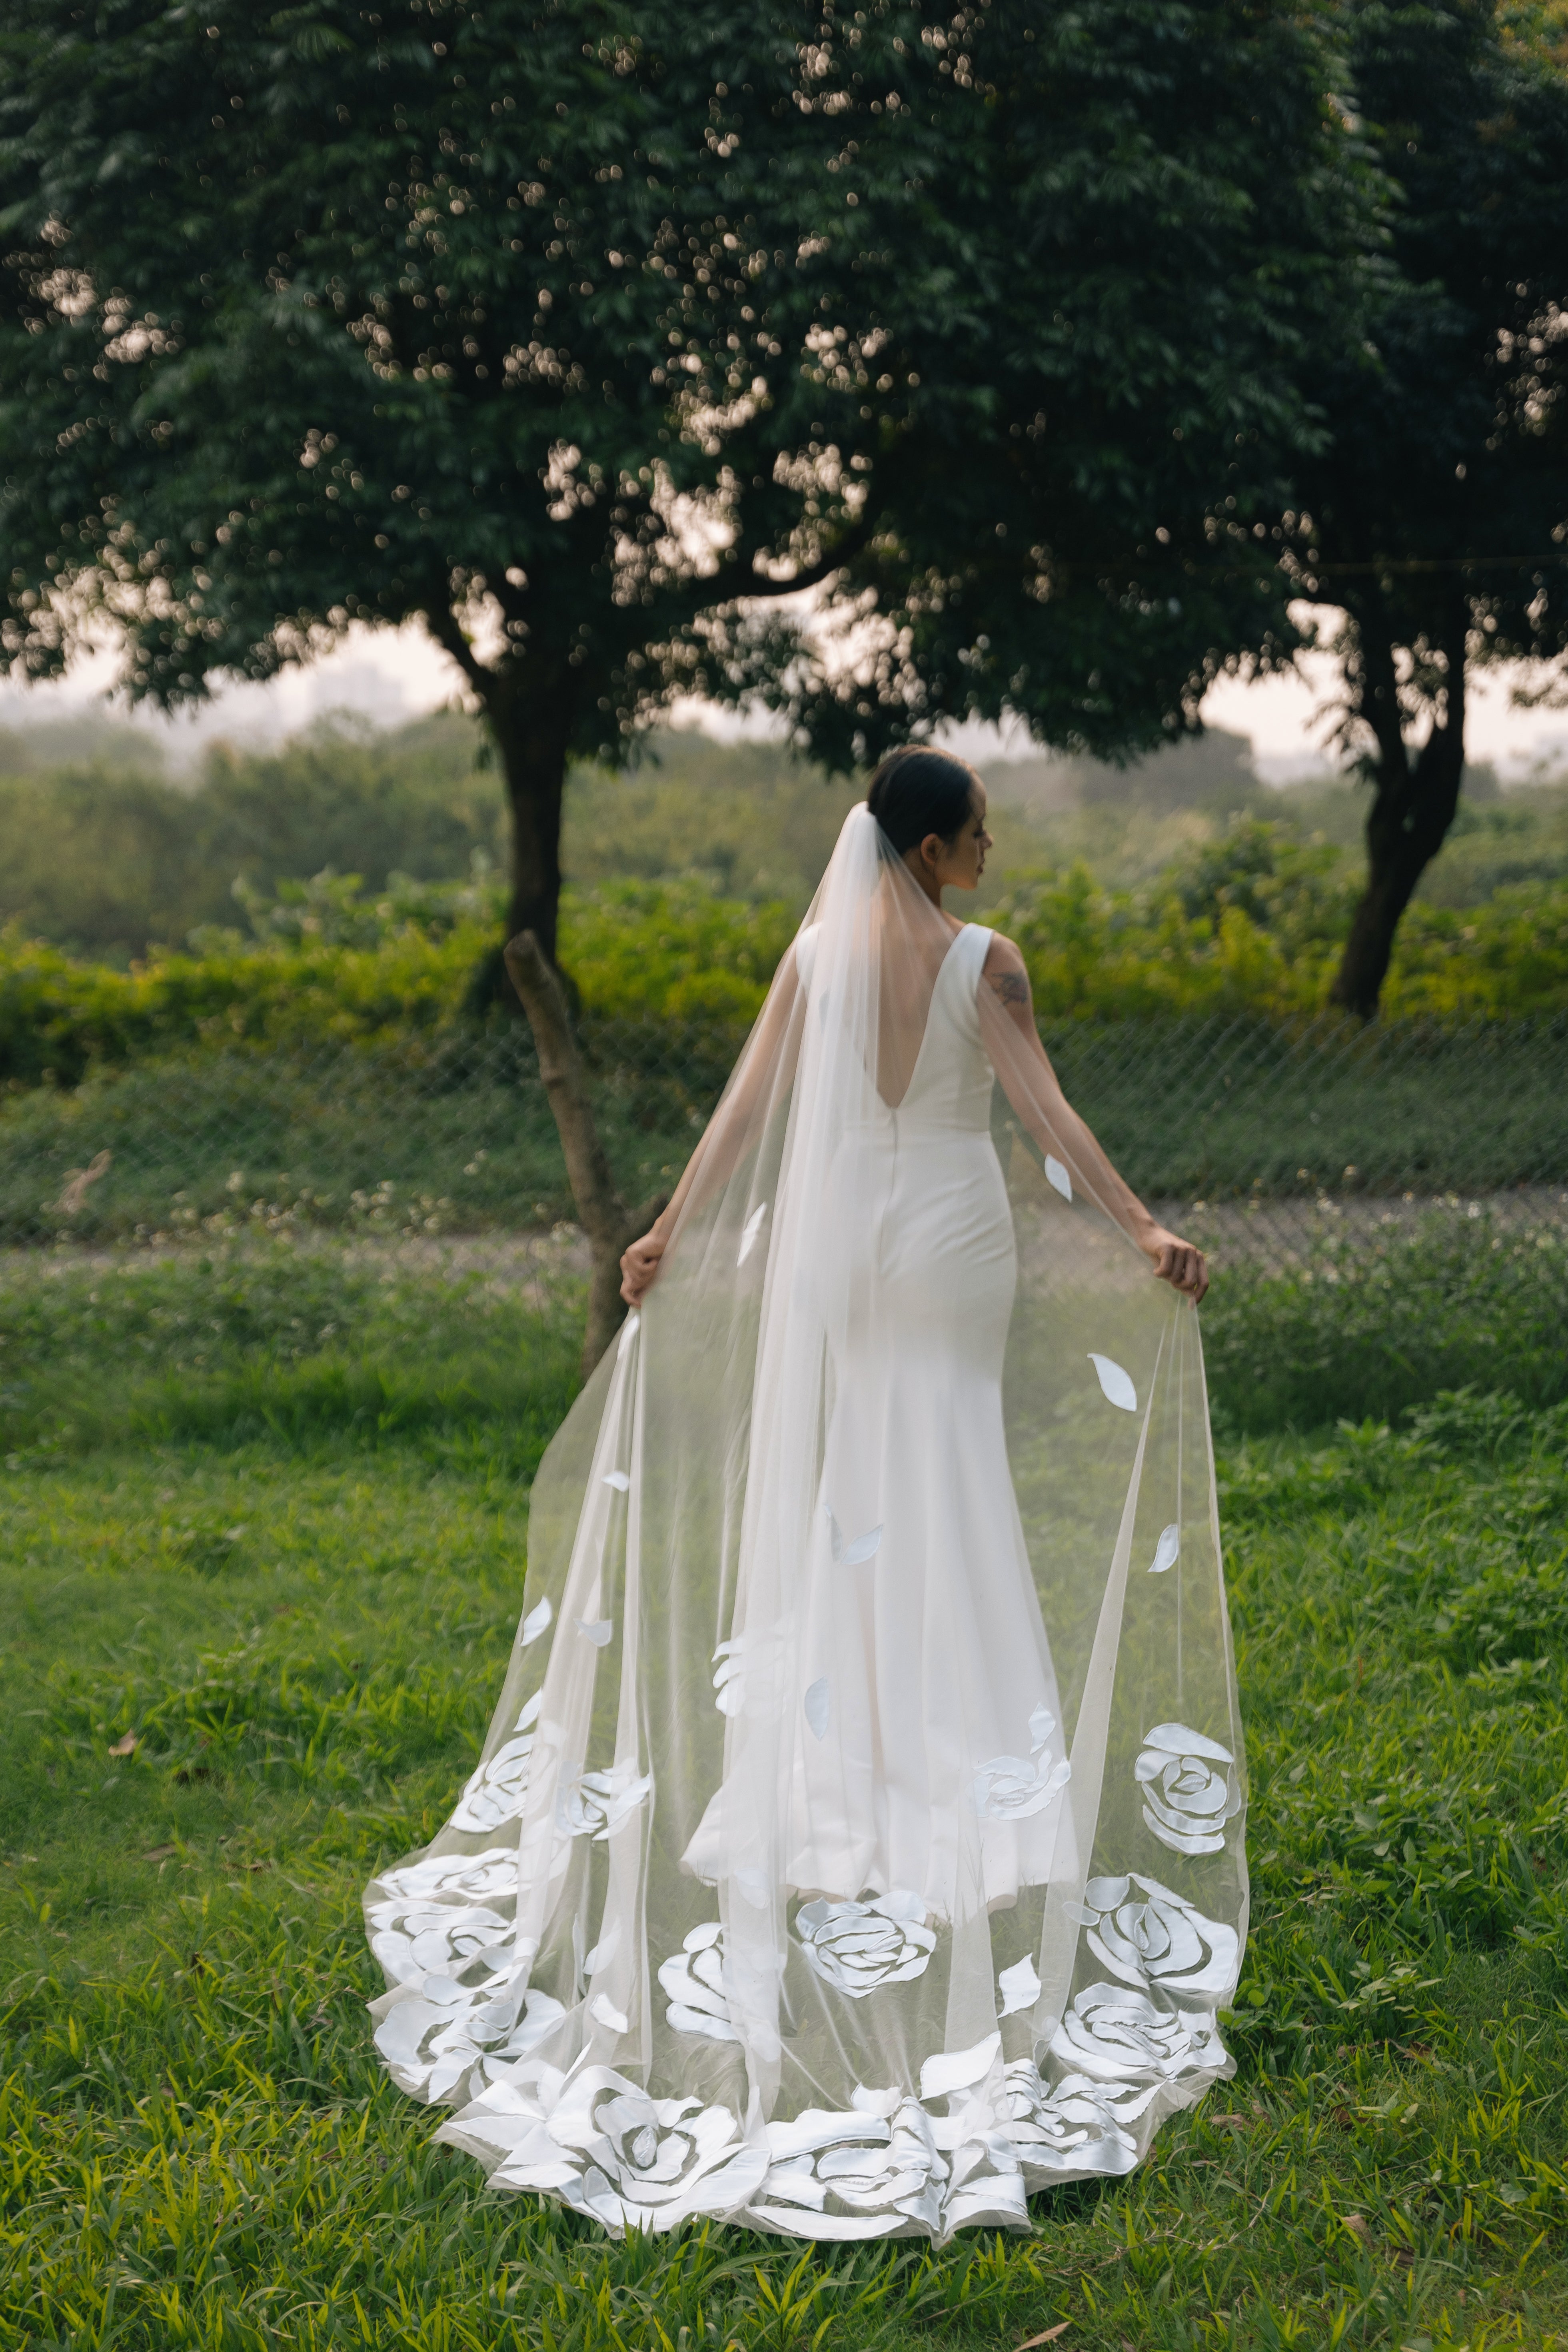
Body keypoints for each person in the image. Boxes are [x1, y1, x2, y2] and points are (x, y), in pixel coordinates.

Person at [364, 746, 1246, 2244]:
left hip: (849, 1251)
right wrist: (1143, 1224)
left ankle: (847, 1764)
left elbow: (740, 1111)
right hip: (953, 1237)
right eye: (976, 829)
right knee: (946, 1468)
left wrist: (663, 1231)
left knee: (858, 1487)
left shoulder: (816, 952)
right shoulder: (988, 962)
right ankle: (970, 1783)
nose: (990, 844)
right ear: (927, 843)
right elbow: (1042, 1113)